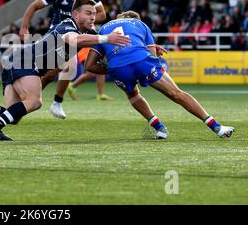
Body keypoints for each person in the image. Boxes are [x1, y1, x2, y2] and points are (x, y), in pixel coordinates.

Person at [0, 0, 129, 141]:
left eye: (94, 14)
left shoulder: (86, 34)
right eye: (88, 13)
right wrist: (106, 39)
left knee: (13, 113)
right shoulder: (67, 25)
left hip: (15, 61)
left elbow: (95, 48)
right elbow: (73, 40)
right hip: (24, 61)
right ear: (75, 15)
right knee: (34, 102)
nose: (92, 17)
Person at [85, 11, 234, 139]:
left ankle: (160, 129)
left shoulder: (103, 29)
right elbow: (151, 52)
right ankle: (217, 127)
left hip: (118, 68)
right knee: (176, 93)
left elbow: (89, 65)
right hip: (142, 60)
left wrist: (112, 70)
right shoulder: (140, 24)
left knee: (133, 95)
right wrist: (151, 62)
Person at [18, 0, 110, 120]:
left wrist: (88, 20)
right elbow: (33, 6)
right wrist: (24, 28)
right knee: (48, 74)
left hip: (75, 37)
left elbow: (102, 14)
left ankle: (56, 103)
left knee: (68, 66)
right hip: (56, 35)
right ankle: (27, 100)